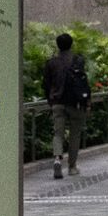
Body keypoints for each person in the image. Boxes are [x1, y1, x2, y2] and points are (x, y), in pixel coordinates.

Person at [42, 32, 91, 180]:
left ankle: (57, 158)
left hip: (57, 102)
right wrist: (87, 101)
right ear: (71, 44)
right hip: (75, 103)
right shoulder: (78, 61)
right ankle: (72, 167)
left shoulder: (51, 63)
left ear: (58, 45)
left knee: (58, 133)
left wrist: (50, 100)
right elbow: (84, 82)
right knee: (75, 134)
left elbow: (46, 84)